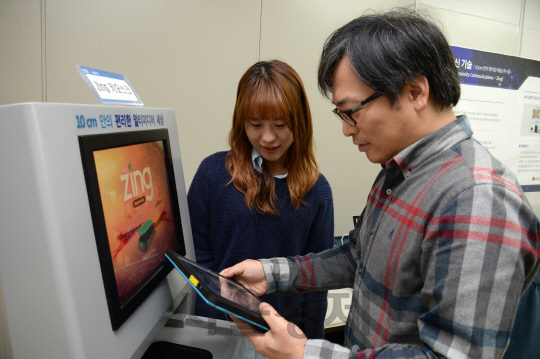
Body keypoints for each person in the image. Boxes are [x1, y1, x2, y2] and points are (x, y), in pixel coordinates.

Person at [220, 8, 540, 359]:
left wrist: (303, 353)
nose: (346, 128)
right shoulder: (399, 170)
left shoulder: (479, 198)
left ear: (415, 92)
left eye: (352, 111)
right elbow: (359, 255)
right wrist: (271, 273)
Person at [187, 60, 334, 354]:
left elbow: (316, 282)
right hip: (218, 333)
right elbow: (196, 262)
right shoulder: (212, 173)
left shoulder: (316, 190)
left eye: (280, 125)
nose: (268, 138)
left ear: (299, 121)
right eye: (256, 125)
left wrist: (308, 347)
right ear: (242, 121)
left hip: (283, 340)